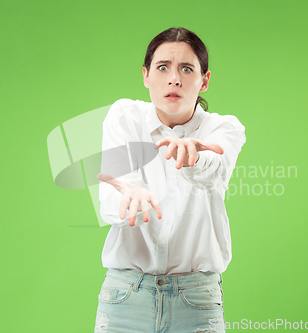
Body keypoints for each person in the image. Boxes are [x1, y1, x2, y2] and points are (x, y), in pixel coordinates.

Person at [94, 27, 246, 333]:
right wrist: (130, 199)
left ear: (204, 80)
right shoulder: (124, 117)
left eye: (186, 69)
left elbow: (214, 172)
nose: (173, 78)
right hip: (125, 298)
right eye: (163, 67)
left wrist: (194, 157)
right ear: (146, 76)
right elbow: (110, 205)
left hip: (196, 300)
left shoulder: (225, 128)